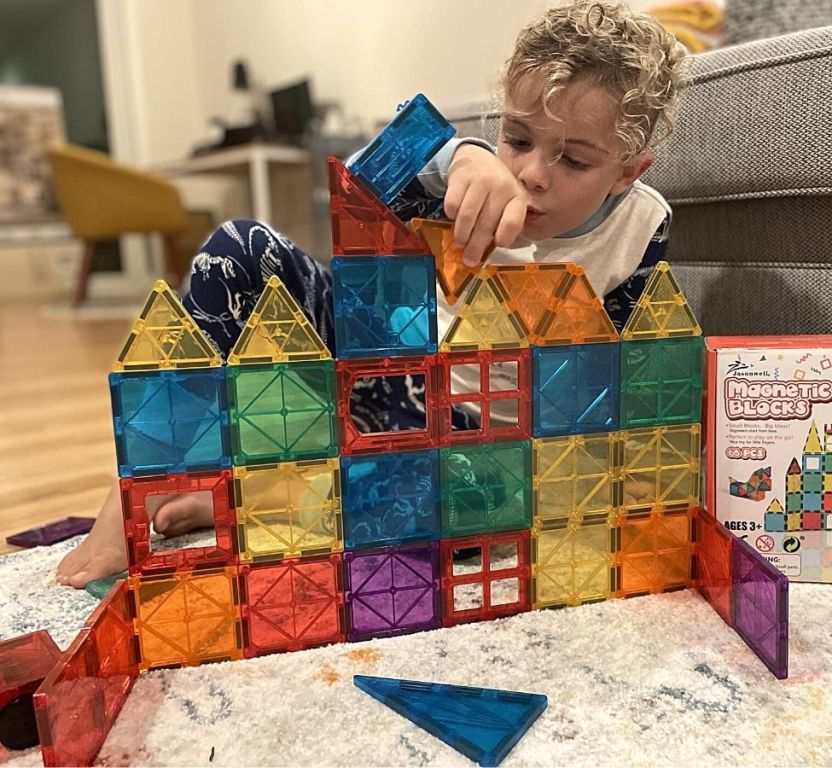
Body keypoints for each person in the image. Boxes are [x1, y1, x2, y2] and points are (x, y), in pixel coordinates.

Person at [56, 0, 688, 588]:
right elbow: (358, 179)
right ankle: (135, 492)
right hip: (379, 366)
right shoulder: (467, 177)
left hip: (476, 439)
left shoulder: (641, 227)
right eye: (518, 140)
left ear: (627, 173)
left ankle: (259, 502)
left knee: (418, 529)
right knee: (237, 246)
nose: (531, 174)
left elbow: (627, 374)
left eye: (573, 161)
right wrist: (461, 156)